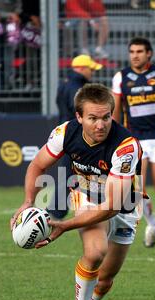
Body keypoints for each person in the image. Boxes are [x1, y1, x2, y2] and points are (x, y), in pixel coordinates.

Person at [11, 83, 144, 300]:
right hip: (86, 196)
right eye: (92, 118)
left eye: (105, 117)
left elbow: (112, 206)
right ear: (79, 116)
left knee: (105, 280)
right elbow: (37, 165)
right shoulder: (65, 132)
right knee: (94, 253)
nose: (100, 124)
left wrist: (65, 225)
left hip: (123, 205)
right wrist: (28, 202)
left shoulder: (126, 146)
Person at [112, 37, 155, 248]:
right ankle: (152, 224)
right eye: (132, 51)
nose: (135, 55)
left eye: (140, 51)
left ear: (149, 53)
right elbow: (116, 110)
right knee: (136, 189)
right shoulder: (121, 77)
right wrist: (115, 137)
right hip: (135, 139)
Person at [47, 54, 103, 220]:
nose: (91, 73)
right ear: (82, 69)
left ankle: (58, 210)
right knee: (74, 174)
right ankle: (57, 211)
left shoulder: (64, 84)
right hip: (76, 136)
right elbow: (79, 110)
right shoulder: (77, 88)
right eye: (90, 69)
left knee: (68, 173)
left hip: (66, 133)